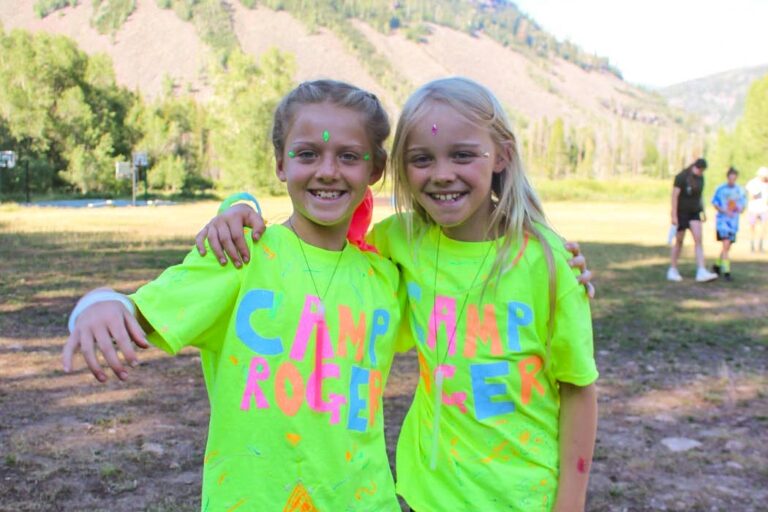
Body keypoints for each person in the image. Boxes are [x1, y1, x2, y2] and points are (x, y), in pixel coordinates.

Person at [197, 77, 598, 511]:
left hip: (527, 497)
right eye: (422, 159)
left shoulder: (550, 264)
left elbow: (578, 387)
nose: (442, 174)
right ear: (397, 168)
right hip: (426, 496)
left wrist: (570, 504)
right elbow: (318, 238)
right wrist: (240, 206)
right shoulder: (398, 243)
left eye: (463, 155)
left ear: (501, 154)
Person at [61, 80, 406, 511]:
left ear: (376, 169)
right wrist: (97, 304)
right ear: (280, 163)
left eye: (349, 156)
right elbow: (139, 310)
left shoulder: (385, 278)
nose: (327, 171)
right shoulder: (239, 254)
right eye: (307, 154)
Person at [667, 158, 719, 282]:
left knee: (698, 240)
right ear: (694, 167)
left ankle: (701, 270)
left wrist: (703, 211)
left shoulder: (701, 178)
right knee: (679, 241)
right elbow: (674, 196)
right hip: (681, 213)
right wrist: (674, 215)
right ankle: (672, 269)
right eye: (699, 170)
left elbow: (700, 196)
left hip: (694, 213)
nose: (700, 172)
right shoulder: (681, 177)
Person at [711, 167, 747, 281]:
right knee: (726, 244)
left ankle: (717, 265)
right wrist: (724, 210)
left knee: (727, 246)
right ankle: (726, 271)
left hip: (733, 223)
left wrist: (739, 208)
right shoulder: (720, 189)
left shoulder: (740, 190)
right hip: (723, 222)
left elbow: (743, 205)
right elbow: (715, 203)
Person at [745, 166, 768, 252]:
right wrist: (762, 195)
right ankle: (752, 245)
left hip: (764, 208)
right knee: (752, 227)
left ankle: (760, 245)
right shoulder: (752, 183)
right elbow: (751, 196)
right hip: (753, 208)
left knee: (763, 227)